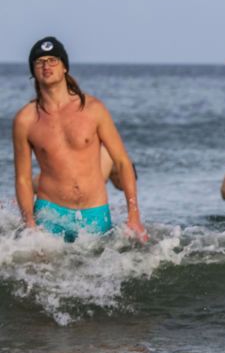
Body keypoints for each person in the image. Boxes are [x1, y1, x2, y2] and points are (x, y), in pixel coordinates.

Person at [12, 36, 145, 242]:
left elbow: (122, 162)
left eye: (52, 59)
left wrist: (134, 216)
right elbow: (22, 178)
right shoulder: (25, 120)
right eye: (39, 62)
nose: (46, 65)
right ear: (33, 72)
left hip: (95, 214)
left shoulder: (94, 109)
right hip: (50, 213)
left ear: (64, 67)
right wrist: (29, 222)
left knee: (105, 273)